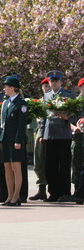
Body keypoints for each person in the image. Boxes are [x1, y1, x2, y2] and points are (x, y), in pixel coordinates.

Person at [41, 71, 75, 202]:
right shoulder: (46, 95)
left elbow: (74, 114)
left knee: (64, 165)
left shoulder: (68, 95)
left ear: (61, 82)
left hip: (63, 133)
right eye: (51, 81)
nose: (53, 83)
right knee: (50, 166)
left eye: (56, 80)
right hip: (49, 135)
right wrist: (41, 133)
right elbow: (43, 116)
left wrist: (66, 117)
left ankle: (65, 192)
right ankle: (53, 193)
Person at [0, 75, 28, 206]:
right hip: (5, 140)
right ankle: (9, 195)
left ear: (12, 88)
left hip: (15, 140)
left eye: (6, 86)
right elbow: (1, 123)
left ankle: (16, 196)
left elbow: (21, 125)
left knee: (16, 168)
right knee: (7, 168)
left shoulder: (21, 103)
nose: (4, 89)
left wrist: (18, 141)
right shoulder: (6, 103)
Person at [29, 77, 51, 200]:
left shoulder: (56, 100)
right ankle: (41, 189)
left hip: (52, 134)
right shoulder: (39, 102)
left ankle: (53, 190)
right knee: (38, 162)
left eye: (48, 85)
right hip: (39, 133)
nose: (47, 88)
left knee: (51, 163)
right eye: (45, 86)